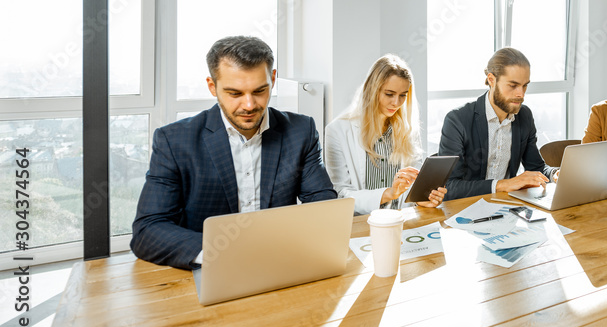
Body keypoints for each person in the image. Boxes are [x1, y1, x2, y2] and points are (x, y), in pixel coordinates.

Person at [131, 36, 337, 270]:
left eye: (259, 91)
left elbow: (324, 207)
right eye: (235, 94)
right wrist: (224, 254)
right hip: (210, 271)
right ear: (212, 87)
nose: (249, 105)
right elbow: (148, 230)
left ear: (273, 79)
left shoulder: (301, 131)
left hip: (282, 264)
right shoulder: (175, 141)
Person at [324, 54, 445, 215]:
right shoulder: (337, 131)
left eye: (403, 95)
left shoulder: (407, 130)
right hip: (362, 225)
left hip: (402, 222)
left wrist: (422, 198)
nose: (396, 102)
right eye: (389, 94)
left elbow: (412, 187)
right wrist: (389, 193)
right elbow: (341, 195)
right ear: (372, 90)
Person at [439, 47, 558, 200]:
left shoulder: (524, 116)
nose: (520, 94)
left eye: (525, 85)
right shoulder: (457, 120)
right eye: (513, 85)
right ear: (491, 80)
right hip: (464, 210)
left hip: (507, 209)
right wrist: (503, 185)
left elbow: (536, 168)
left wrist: (555, 174)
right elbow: (449, 186)